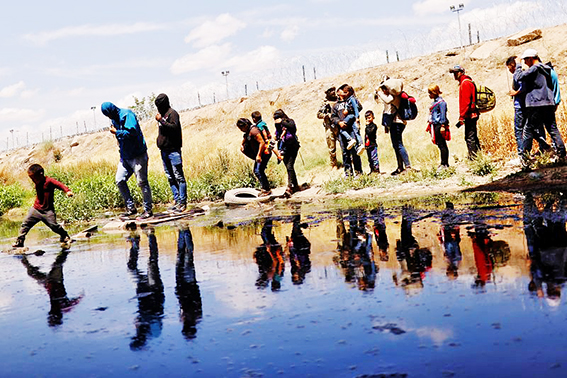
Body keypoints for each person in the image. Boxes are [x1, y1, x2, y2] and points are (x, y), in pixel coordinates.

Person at [101, 102, 153, 219]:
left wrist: (117, 132)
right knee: (119, 180)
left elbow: (132, 133)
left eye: (108, 114)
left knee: (142, 182)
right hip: (125, 157)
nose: (109, 117)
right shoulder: (114, 119)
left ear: (112, 110)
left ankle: (148, 210)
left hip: (138, 155)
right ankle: (131, 208)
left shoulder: (127, 115)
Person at [514, 49, 566, 167]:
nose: (525, 63)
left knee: (528, 130)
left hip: (536, 104)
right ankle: (562, 155)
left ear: (531, 58)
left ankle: (525, 159)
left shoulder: (535, 68)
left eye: (526, 60)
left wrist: (518, 65)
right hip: (548, 103)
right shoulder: (546, 69)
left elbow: (519, 77)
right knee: (552, 129)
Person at [12, 164, 73, 248]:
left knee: (54, 226)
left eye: (34, 178)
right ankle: (20, 242)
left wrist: (67, 191)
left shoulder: (49, 181)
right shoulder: (37, 181)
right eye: (31, 179)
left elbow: (59, 185)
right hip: (36, 209)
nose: (33, 181)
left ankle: (64, 235)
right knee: (25, 225)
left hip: (48, 211)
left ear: (41, 174)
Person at [506, 56, 551, 157]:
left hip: (521, 106)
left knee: (519, 131)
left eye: (510, 68)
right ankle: (543, 147)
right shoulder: (526, 73)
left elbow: (524, 88)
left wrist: (515, 93)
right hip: (528, 106)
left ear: (513, 66)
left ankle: (523, 154)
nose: (510, 71)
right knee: (531, 129)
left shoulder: (519, 74)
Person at [154, 93, 187, 213]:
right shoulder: (162, 115)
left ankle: (182, 203)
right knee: (170, 177)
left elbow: (174, 128)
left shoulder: (172, 114)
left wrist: (161, 120)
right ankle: (177, 201)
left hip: (173, 151)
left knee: (179, 177)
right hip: (164, 151)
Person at [375, 76, 412, 175]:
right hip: (394, 123)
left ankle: (407, 166)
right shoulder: (393, 96)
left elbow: (387, 101)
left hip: (397, 122)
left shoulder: (393, 97)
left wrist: (378, 92)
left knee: (398, 144)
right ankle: (400, 167)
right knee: (396, 145)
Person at [449, 65, 481, 159]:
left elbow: (466, 102)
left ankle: (473, 158)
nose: (454, 75)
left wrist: (462, 116)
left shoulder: (465, 83)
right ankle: (478, 155)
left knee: (469, 137)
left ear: (460, 72)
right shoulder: (467, 82)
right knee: (472, 136)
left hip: (469, 115)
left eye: (456, 72)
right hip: (472, 114)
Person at [332, 87, 363, 177]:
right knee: (345, 152)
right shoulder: (335, 105)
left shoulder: (350, 100)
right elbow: (333, 117)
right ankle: (348, 174)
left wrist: (349, 110)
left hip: (352, 129)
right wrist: (339, 122)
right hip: (342, 132)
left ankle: (358, 173)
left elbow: (359, 107)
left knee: (355, 151)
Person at [237, 117, 272, 196]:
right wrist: (242, 145)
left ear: (245, 125)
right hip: (259, 154)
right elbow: (245, 138)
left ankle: (266, 189)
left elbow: (262, 142)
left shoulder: (253, 131)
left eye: (241, 128)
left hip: (264, 153)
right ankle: (265, 188)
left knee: (258, 171)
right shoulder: (248, 131)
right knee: (257, 170)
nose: (241, 130)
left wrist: (259, 155)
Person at [273, 109, 301, 196]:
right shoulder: (277, 125)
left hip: (293, 146)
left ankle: (290, 187)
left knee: (290, 166)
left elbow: (292, 127)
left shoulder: (289, 121)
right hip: (284, 148)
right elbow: (277, 135)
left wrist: (282, 122)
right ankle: (295, 185)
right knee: (289, 167)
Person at [426, 84, 450, 168]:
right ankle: (443, 162)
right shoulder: (435, 102)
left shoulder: (441, 103)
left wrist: (443, 126)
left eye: (430, 93)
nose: (429, 95)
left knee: (442, 144)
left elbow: (443, 115)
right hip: (435, 124)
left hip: (439, 124)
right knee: (439, 144)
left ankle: (445, 163)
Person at [317, 87, 340, 168]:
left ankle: (348, 163)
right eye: (331, 91)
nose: (333, 92)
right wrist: (326, 115)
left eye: (334, 90)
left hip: (339, 126)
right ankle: (334, 165)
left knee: (345, 145)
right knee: (331, 148)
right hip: (329, 127)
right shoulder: (325, 103)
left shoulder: (339, 100)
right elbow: (318, 115)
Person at [343, 84, 365, 156]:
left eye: (345, 92)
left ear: (349, 92)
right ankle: (360, 144)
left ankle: (350, 139)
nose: (344, 94)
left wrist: (357, 117)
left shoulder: (351, 99)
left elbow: (356, 108)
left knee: (342, 128)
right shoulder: (348, 99)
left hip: (351, 116)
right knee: (356, 131)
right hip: (353, 117)